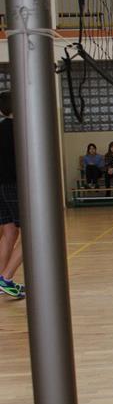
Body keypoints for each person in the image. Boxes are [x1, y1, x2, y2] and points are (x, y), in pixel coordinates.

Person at [0, 91, 24, 298]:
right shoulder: (20, 129)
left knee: (9, 232)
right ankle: (6, 278)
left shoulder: (1, 127)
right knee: (31, 235)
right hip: (13, 185)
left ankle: (1, 280)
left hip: (0, 185)